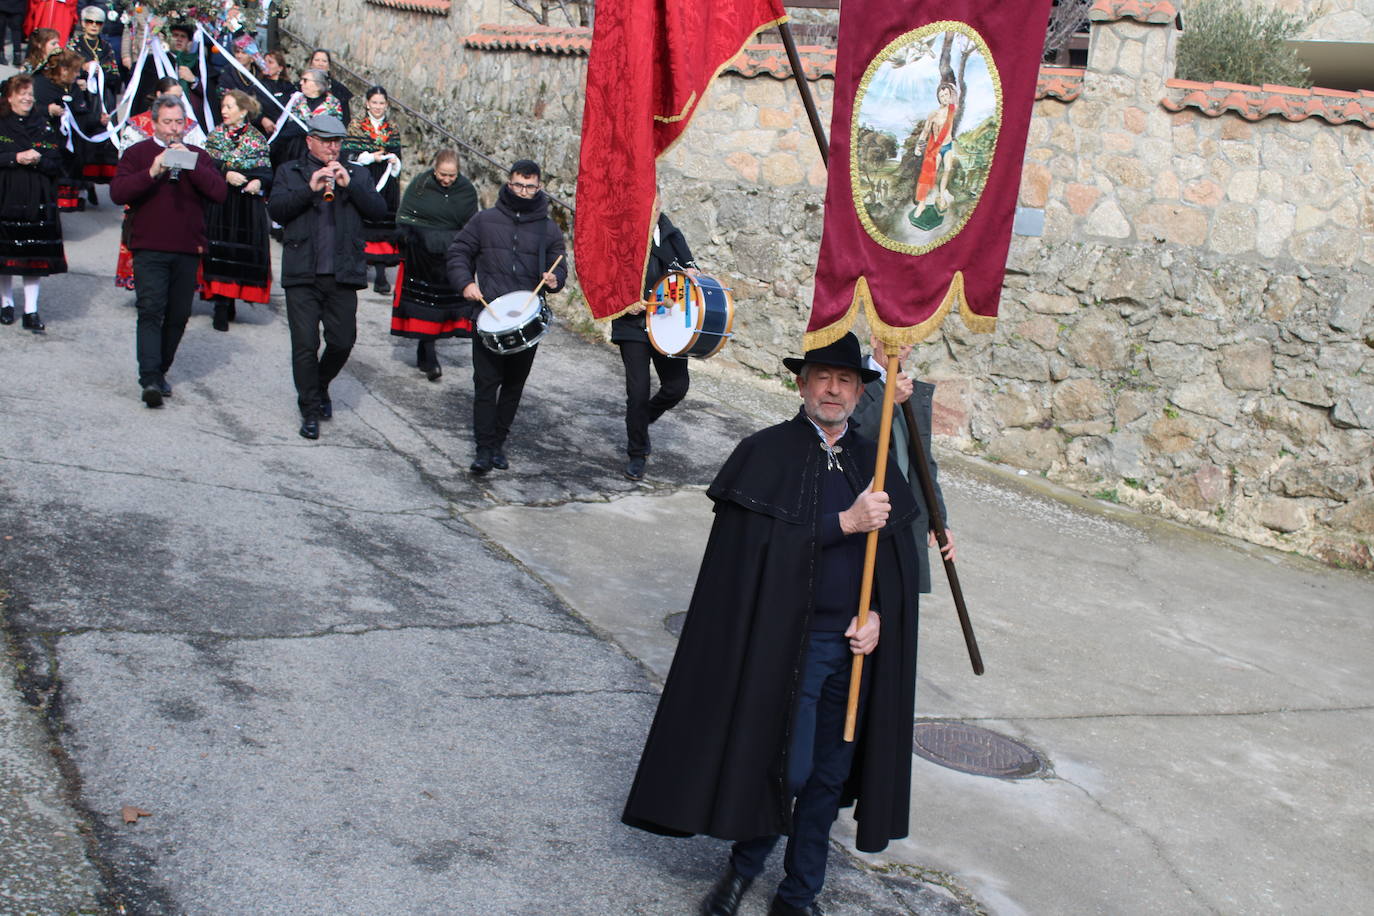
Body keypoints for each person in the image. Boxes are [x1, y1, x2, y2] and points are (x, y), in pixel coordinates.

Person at [622, 331, 924, 916]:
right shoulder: (765, 453)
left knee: (830, 775)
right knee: (790, 767)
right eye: (822, 378)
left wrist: (880, 618)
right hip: (788, 644)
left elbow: (894, 561)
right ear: (801, 384)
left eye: (845, 381)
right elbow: (754, 554)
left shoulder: (873, 455)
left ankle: (799, 894)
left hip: (853, 649)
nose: (833, 390)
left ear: (861, 392)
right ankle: (741, 872)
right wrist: (845, 522)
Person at [268, 113, 388, 440]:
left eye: (336, 142)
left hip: (343, 274)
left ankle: (319, 385)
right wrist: (309, 190)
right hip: (302, 273)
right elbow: (277, 211)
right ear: (310, 142)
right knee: (305, 345)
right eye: (325, 142)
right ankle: (309, 408)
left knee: (342, 341)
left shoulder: (356, 174)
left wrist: (351, 187)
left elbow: (379, 212)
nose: (332, 149)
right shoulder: (290, 172)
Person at [446, 158, 567, 475]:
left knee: (513, 386)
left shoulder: (547, 227)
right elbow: (458, 252)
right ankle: (484, 449)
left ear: (539, 187)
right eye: (518, 185)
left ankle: (498, 443)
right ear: (509, 183)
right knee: (486, 384)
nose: (524, 192)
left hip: (526, 318)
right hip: (487, 314)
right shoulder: (485, 220)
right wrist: (465, 283)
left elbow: (559, 264)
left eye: (530, 186)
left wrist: (555, 280)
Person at [110, 92, 226, 407]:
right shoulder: (138, 153)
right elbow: (118, 193)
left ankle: (160, 369)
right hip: (149, 244)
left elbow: (219, 192)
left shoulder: (199, 156)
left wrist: (190, 164)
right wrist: (153, 170)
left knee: (178, 314)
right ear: (154, 123)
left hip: (188, 246)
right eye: (168, 122)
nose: (174, 129)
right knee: (150, 309)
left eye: (179, 122)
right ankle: (148, 376)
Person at [850, 334, 956, 600]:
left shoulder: (912, 391)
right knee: (864, 596)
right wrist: (889, 400)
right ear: (874, 339)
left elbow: (924, 460)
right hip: (866, 507)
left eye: (907, 343)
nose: (901, 349)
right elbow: (851, 440)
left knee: (900, 602)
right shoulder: (852, 380)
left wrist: (939, 519)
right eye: (893, 341)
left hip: (907, 513)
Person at [611, 198, 697, 481]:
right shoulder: (622, 235)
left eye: (655, 204)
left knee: (677, 386)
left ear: (660, 202)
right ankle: (637, 453)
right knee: (637, 392)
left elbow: (690, 272)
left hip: (668, 325)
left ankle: (640, 420)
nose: (651, 210)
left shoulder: (673, 235)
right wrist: (625, 299)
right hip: (633, 324)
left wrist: (693, 275)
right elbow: (608, 279)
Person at [390, 148, 477, 381]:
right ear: (434, 169)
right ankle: (429, 354)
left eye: (452, 175)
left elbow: (471, 225)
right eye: (442, 174)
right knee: (426, 306)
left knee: (441, 307)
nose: (447, 180)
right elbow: (405, 216)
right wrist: (412, 238)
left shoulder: (466, 190)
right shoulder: (420, 185)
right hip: (423, 256)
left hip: (450, 256)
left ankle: (426, 348)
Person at [0, 73, 66, 334]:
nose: (27, 98)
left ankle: (31, 310)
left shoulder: (43, 125)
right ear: (10, 97)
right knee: (5, 254)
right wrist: (16, 158)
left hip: (38, 198)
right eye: (22, 93)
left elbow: (57, 162)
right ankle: (6, 304)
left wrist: (39, 160)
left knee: (34, 256)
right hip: (6, 194)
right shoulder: (2, 123)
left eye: (30, 94)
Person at [201, 88, 271, 331]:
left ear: (243, 111)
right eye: (223, 107)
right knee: (218, 250)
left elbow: (265, 170)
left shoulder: (256, 138)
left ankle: (231, 298)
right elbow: (207, 165)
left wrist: (258, 182)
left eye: (229, 107)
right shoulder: (215, 136)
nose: (224, 111)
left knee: (238, 252)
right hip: (220, 202)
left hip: (246, 205)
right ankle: (220, 305)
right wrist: (224, 173)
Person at [343, 85, 401, 294]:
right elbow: (348, 154)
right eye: (374, 102)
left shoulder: (392, 128)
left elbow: (397, 152)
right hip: (364, 178)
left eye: (381, 103)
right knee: (362, 222)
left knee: (382, 223)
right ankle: (359, 264)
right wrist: (368, 157)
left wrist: (394, 162)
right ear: (367, 103)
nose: (378, 107)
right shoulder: (356, 126)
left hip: (386, 180)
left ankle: (381, 274)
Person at [32, 49, 103, 211]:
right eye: (75, 71)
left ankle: (72, 199)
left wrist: (97, 119)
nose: (78, 74)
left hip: (72, 143)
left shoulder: (72, 86)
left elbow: (81, 110)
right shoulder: (41, 85)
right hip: (50, 138)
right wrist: (48, 110)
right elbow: (31, 111)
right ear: (63, 70)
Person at [67, 6, 119, 203]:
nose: (93, 26)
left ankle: (95, 181)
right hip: (82, 99)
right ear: (83, 23)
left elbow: (115, 74)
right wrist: (82, 70)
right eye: (90, 22)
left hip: (102, 99)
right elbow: (65, 68)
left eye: (98, 23)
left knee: (101, 140)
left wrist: (101, 73)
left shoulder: (106, 47)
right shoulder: (74, 44)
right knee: (82, 141)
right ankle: (81, 185)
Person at [270, 67, 340, 171]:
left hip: (320, 151)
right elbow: (290, 124)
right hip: (294, 149)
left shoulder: (332, 103)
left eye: (305, 80)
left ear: (317, 85)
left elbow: (331, 127)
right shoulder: (297, 100)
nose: (301, 83)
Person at [307, 48, 351, 123]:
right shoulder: (301, 86)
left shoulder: (339, 90)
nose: (320, 64)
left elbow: (345, 118)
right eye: (317, 60)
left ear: (329, 66)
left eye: (324, 61)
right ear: (311, 64)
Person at [0, 0, 26, 69]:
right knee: (16, 29)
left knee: (1, 29)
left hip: (2, 5)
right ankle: (17, 55)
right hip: (18, 5)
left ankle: (1, 54)